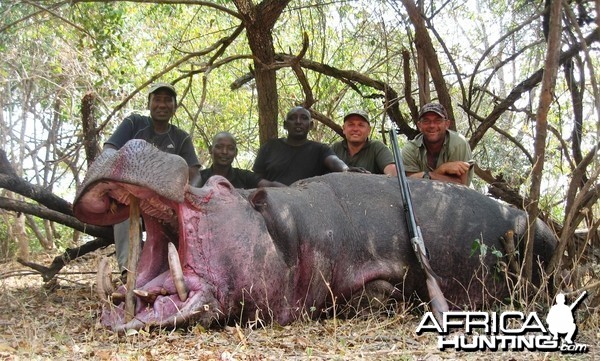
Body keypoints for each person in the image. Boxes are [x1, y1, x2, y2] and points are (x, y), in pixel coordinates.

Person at [102, 82, 201, 276]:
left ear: (175, 106)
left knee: (185, 222)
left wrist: (187, 194)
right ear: (149, 104)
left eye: (167, 100)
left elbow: (195, 173)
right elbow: (109, 150)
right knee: (124, 219)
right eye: (157, 100)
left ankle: (180, 270)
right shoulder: (133, 124)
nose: (162, 105)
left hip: (164, 201)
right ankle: (128, 271)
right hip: (130, 197)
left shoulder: (181, 138)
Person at [253, 106, 351, 185]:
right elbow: (256, 178)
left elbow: (333, 162)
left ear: (311, 125)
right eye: (292, 118)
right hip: (273, 202)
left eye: (304, 118)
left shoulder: (320, 149)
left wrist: (346, 170)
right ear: (285, 125)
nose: (298, 122)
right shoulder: (269, 147)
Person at [401, 102, 473, 185]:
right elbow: (411, 184)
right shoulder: (410, 149)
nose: (432, 125)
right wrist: (442, 169)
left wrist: (425, 176)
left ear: (447, 124)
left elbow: (461, 185)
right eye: (426, 121)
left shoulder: (459, 143)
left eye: (438, 120)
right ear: (419, 126)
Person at [199, 132, 283, 188]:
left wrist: (292, 192)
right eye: (219, 147)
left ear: (236, 153)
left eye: (230, 148)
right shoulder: (199, 178)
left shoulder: (245, 177)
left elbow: (270, 186)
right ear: (210, 150)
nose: (224, 152)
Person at [331, 110, 397, 176]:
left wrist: (392, 173)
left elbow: (392, 171)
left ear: (368, 130)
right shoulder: (335, 148)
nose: (355, 129)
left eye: (361, 125)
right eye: (351, 125)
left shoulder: (377, 147)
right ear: (344, 129)